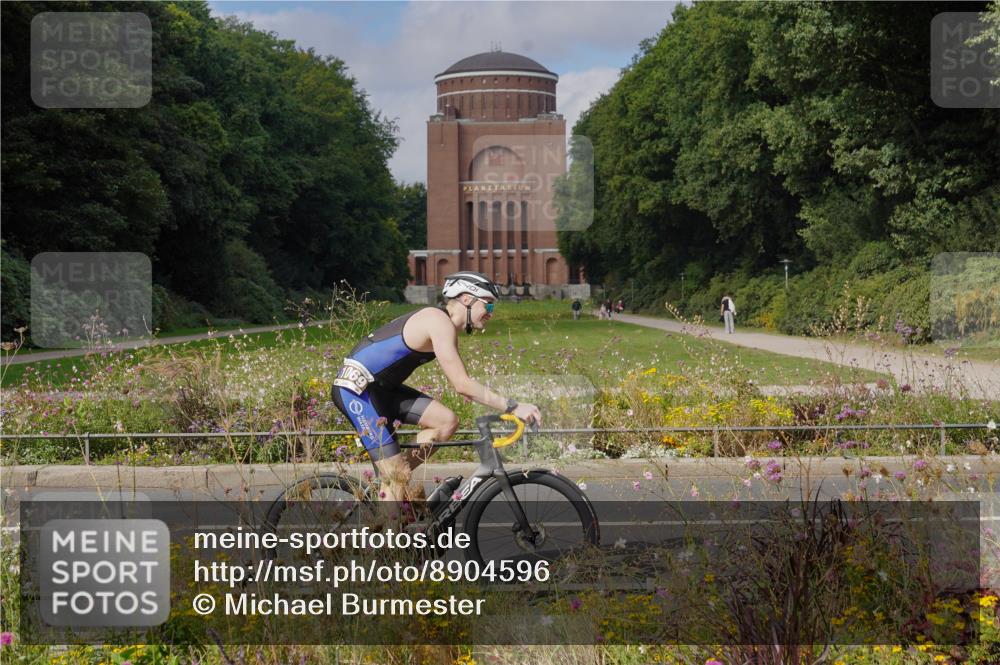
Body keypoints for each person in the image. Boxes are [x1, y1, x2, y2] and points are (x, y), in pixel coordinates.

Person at [331, 271, 542, 504]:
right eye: (489, 306)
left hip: (382, 390)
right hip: (357, 392)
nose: (490, 314)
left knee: (446, 422)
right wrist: (513, 406)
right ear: (466, 299)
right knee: (397, 477)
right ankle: (388, 529)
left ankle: (391, 479)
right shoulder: (437, 321)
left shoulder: (444, 325)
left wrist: (400, 470)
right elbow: (462, 384)